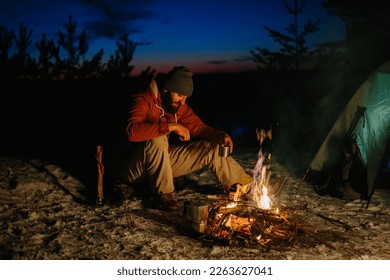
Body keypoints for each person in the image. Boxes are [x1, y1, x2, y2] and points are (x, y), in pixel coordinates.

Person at [118, 66, 254, 211]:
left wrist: (219, 135)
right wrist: (171, 126)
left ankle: (244, 187)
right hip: (133, 168)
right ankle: (164, 196)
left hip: (160, 163)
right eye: (180, 95)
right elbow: (130, 131)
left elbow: (199, 127)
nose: (183, 101)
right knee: (158, 139)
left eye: (186, 97)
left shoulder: (176, 105)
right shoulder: (143, 100)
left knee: (211, 146)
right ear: (166, 89)